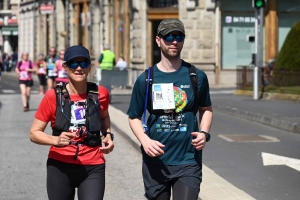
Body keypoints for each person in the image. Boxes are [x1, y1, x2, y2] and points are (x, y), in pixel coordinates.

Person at [127, 19, 213, 200]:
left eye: (179, 36)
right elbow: (134, 116)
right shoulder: (146, 79)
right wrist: (144, 140)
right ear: (158, 40)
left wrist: (204, 133)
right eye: (169, 36)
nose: (174, 41)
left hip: (188, 160)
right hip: (156, 161)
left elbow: (206, 108)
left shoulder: (196, 76)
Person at [30, 45, 114, 200]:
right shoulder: (53, 96)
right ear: (65, 67)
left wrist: (107, 134)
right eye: (74, 63)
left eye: (83, 63)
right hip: (60, 165)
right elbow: (34, 133)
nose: (79, 68)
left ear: (89, 67)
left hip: (93, 165)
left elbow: (104, 117)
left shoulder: (101, 93)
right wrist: (55, 140)